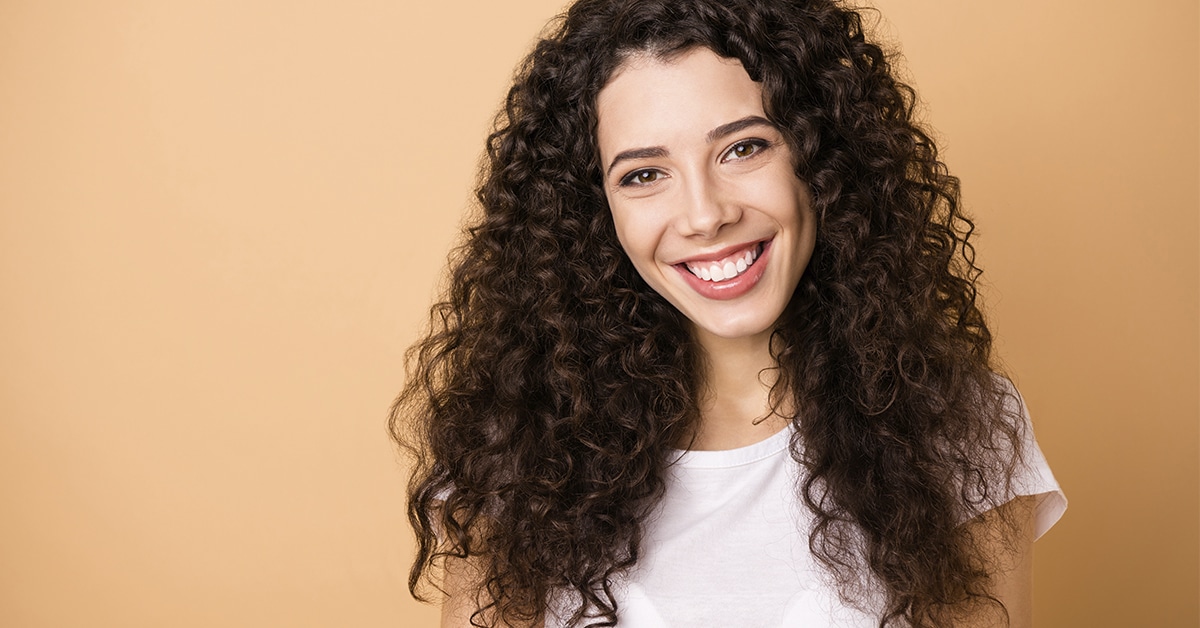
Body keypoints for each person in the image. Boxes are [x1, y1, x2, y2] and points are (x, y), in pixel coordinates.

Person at [390, 0, 1066, 626]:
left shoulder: (958, 428)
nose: (706, 214)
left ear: (820, 157)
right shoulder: (511, 449)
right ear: (595, 213)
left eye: (743, 147)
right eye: (643, 174)